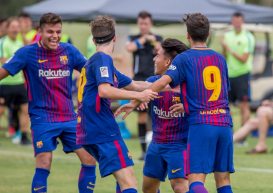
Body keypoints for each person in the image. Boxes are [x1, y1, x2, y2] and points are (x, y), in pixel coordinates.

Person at [116, 13, 234, 193]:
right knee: (223, 180)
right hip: (223, 122)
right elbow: (218, 93)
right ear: (208, 34)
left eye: (158, 56)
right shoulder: (220, 59)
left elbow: (162, 83)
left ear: (188, 34)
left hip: (198, 127)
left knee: (194, 182)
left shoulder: (184, 60)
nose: (154, 59)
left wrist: (134, 101)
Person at [0, 13, 96, 193]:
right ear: (39, 32)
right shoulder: (26, 53)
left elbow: (93, 72)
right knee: (45, 163)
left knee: (89, 158)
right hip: (43, 118)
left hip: (69, 117)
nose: (55, 36)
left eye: (58, 32)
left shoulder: (69, 51)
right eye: (50, 32)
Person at [77, 15, 158, 193]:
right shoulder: (102, 59)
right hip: (102, 129)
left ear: (93, 39)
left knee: (124, 177)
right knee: (129, 183)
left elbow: (136, 85)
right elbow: (104, 91)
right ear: (114, 38)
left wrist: (170, 86)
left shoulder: (98, 63)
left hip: (91, 129)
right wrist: (138, 97)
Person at [142, 38, 189, 193]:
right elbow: (137, 87)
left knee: (180, 187)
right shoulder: (152, 82)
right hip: (156, 144)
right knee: (148, 188)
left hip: (178, 145)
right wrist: (137, 100)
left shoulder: (187, 85)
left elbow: (205, 105)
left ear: (168, 62)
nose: (154, 59)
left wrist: (187, 106)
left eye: (158, 56)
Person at [126, 11, 163, 160]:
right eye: (141, 23)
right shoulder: (135, 38)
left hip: (155, 80)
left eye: (146, 23)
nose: (143, 26)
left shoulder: (157, 38)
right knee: (141, 117)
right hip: (139, 80)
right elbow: (130, 48)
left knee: (156, 116)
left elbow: (161, 49)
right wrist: (144, 39)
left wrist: (152, 41)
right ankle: (143, 151)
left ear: (150, 24)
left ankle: (157, 148)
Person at [0, 17, 31, 146]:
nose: (15, 29)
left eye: (17, 27)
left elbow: (28, 56)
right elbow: (3, 62)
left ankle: (23, 137)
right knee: (0, 109)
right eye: (12, 27)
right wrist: (21, 66)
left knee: (25, 109)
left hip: (19, 82)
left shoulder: (19, 43)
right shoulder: (2, 43)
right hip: (6, 83)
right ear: (7, 28)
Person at [221, 12, 255, 146]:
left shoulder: (248, 37)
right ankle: (230, 134)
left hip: (242, 74)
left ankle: (243, 137)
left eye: (239, 21)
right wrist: (225, 49)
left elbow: (244, 59)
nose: (236, 23)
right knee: (226, 106)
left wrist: (229, 49)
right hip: (228, 75)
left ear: (243, 21)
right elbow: (224, 55)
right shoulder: (227, 36)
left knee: (243, 106)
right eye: (234, 20)